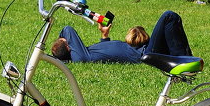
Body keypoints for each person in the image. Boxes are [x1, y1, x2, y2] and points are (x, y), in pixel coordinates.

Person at [50, 10, 193, 64]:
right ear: (69, 47)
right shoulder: (80, 57)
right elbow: (67, 30)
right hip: (145, 53)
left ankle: (178, 56)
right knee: (169, 16)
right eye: (66, 41)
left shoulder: (85, 53)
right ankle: (184, 60)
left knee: (166, 22)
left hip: (142, 49)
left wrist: (104, 35)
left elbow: (106, 51)